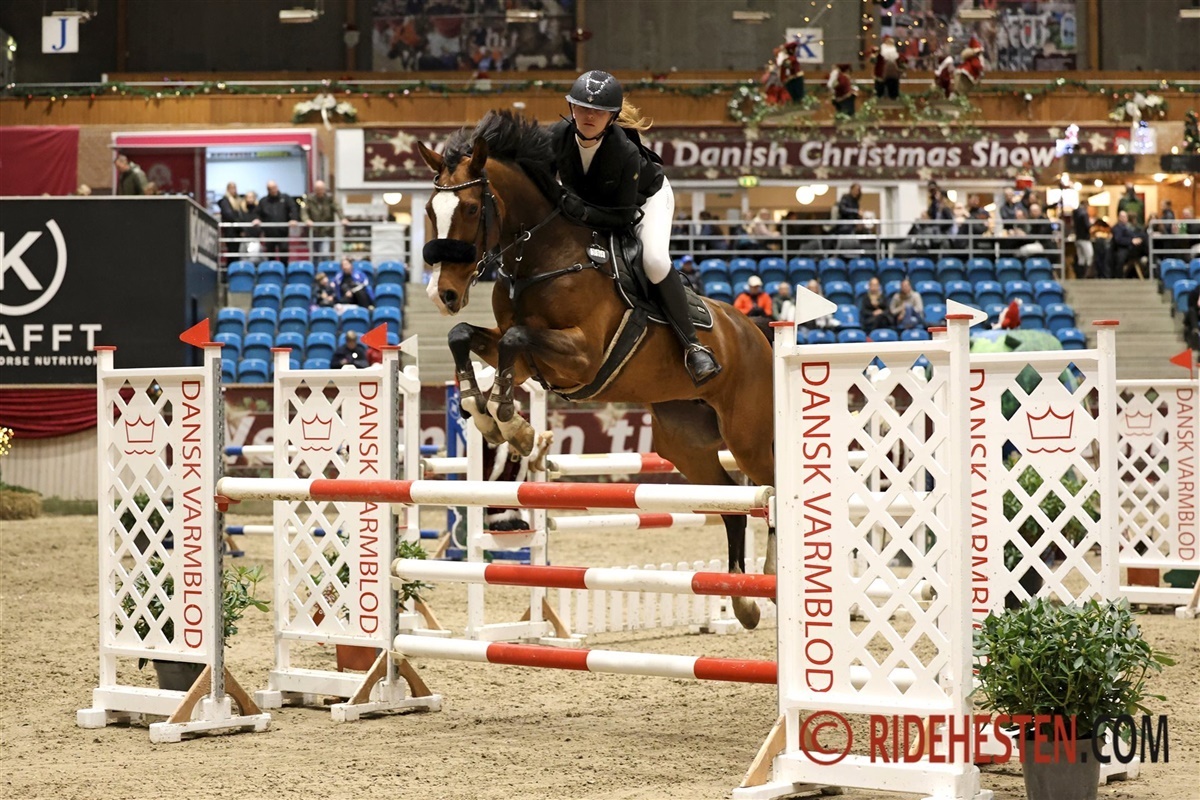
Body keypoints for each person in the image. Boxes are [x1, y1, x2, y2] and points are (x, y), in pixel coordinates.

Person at [550, 69, 720, 386]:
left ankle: (693, 346)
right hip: (594, 207)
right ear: (571, 108)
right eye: (582, 108)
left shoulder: (623, 152)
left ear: (612, 118)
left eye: (599, 111)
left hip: (644, 201)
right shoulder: (557, 136)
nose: (589, 116)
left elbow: (623, 217)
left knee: (653, 261)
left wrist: (580, 211)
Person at [301, 180, 346, 256]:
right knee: (314, 254)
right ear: (314, 190)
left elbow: (338, 208)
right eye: (317, 189)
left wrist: (342, 218)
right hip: (313, 230)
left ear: (324, 189)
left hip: (326, 230)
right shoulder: (309, 199)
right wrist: (306, 220)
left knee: (325, 253)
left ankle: (325, 264)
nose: (319, 191)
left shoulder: (330, 198)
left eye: (321, 189)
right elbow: (303, 211)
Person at [254, 180, 297, 256]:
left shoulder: (286, 198)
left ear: (277, 187)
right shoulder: (263, 201)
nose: (273, 190)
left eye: (274, 187)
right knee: (270, 254)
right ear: (267, 189)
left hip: (283, 232)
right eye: (270, 188)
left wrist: (293, 219)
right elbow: (257, 213)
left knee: (284, 253)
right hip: (269, 233)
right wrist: (257, 219)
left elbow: (293, 209)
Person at [1071, 202, 1094, 278]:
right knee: (1089, 256)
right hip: (1085, 238)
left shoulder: (1075, 213)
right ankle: (1086, 275)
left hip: (1078, 238)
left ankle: (1080, 275)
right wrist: (1092, 224)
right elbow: (1087, 226)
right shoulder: (1084, 214)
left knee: (1081, 258)